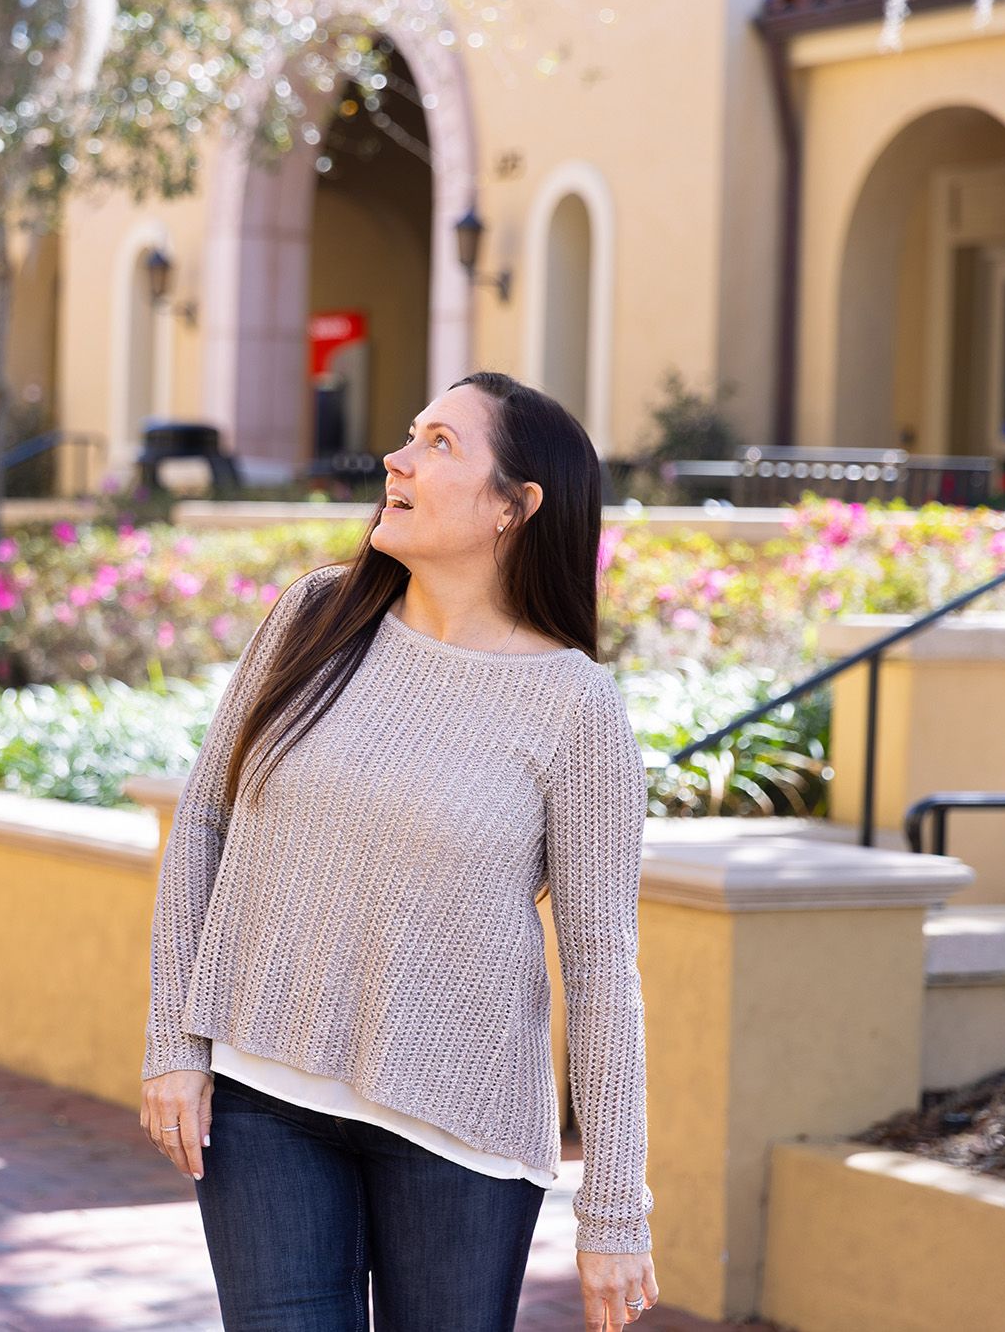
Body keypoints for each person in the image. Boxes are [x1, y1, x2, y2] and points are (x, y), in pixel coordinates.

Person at [141, 372, 658, 1332]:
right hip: (261, 1098)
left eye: (440, 444)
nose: (398, 457)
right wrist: (174, 1039)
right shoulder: (314, 617)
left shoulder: (576, 707)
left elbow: (600, 970)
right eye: (409, 432)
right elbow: (203, 821)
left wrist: (615, 1210)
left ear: (516, 505)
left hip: (458, 1131)